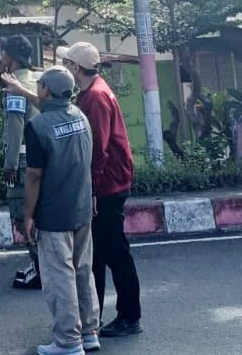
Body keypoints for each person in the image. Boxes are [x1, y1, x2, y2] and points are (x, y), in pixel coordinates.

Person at [56, 41, 142, 339]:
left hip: (107, 184)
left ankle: (128, 317)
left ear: (75, 68)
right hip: (108, 182)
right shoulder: (92, 91)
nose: (64, 68)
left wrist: (90, 190)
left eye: (67, 64)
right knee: (101, 253)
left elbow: (97, 149)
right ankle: (93, 318)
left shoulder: (95, 97)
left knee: (113, 252)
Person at [23, 65, 101, 355]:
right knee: (82, 271)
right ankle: (89, 331)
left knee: (60, 277)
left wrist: (27, 215)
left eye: (40, 84)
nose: (38, 89)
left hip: (54, 214)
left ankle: (68, 341)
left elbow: (33, 176)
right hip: (81, 209)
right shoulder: (80, 116)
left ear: (46, 90)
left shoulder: (38, 126)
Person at [0, 34, 41, 289]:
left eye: (3, 53)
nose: (0, 56)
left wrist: (10, 164)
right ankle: (44, 266)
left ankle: (41, 267)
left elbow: (14, 127)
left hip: (23, 162)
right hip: (41, 160)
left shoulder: (15, 88)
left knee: (22, 218)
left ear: (12, 58)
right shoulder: (35, 80)